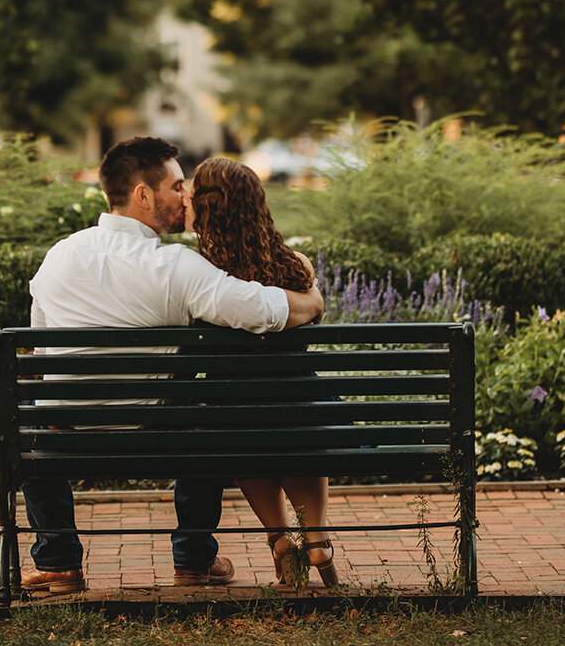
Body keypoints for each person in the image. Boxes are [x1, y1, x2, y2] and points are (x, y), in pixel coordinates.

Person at [21, 136, 324, 594]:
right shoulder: (175, 266)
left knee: (40, 417)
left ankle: (60, 561)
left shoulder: (58, 256)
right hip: (155, 429)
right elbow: (264, 311)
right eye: (178, 186)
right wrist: (312, 299)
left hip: (68, 432)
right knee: (201, 415)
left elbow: (43, 352)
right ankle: (193, 559)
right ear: (144, 195)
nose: (187, 197)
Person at [186, 155, 339, 589]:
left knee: (240, 419)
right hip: (299, 410)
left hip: (235, 414)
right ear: (258, 204)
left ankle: (278, 538)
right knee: (290, 414)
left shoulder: (203, 275)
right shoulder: (298, 266)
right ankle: (318, 539)